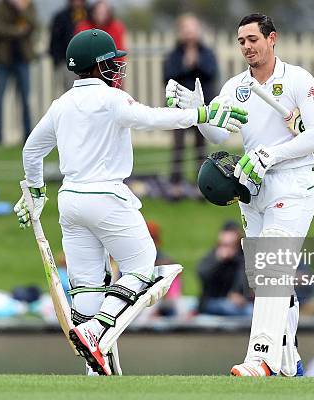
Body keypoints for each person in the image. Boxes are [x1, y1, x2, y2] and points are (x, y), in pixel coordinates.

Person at [13, 29, 247, 375]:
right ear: (97, 66)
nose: (117, 68)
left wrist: (35, 192)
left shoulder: (60, 105)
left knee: (87, 288)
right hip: (106, 196)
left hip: (70, 203)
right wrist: (203, 114)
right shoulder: (111, 100)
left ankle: (95, 368)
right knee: (142, 264)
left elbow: (31, 150)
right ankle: (94, 331)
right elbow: (152, 118)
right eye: (111, 62)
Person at [167, 13, 314, 377]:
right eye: (241, 41)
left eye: (253, 39)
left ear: (272, 39)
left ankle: (262, 358)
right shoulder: (236, 86)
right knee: (267, 277)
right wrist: (197, 112)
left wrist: (272, 153)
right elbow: (218, 136)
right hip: (251, 188)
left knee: (273, 265)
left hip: (292, 183)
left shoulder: (298, 80)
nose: (247, 47)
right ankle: (289, 362)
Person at [164, 14, 219, 197]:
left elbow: (212, 73)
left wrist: (197, 64)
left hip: (201, 107)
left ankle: (200, 184)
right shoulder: (174, 54)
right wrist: (186, 66)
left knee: (200, 146)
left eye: (193, 29)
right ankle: (175, 184)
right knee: (178, 147)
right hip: (179, 107)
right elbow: (168, 76)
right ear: (180, 32)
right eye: (186, 30)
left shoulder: (207, 53)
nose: (189, 34)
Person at [0, 0, 38, 144]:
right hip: (3, 60)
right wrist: (18, 31)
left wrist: (21, 10)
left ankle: (28, 138)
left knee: (25, 100)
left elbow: (34, 25)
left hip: (22, 60)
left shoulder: (28, 5)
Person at [198, 222, 252, 316]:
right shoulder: (213, 256)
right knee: (248, 311)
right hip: (212, 300)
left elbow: (244, 282)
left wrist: (238, 294)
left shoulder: (242, 257)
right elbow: (203, 275)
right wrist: (218, 260)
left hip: (237, 302)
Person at [49, 0, 89, 92]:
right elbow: (54, 42)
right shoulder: (61, 17)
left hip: (88, 63)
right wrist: (58, 61)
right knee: (71, 91)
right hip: (67, 62)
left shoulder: (90, 14)